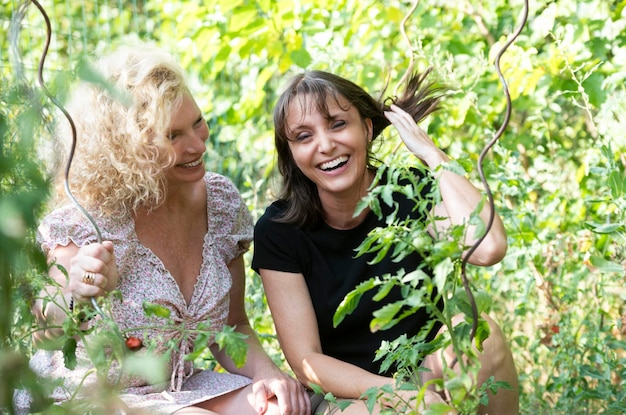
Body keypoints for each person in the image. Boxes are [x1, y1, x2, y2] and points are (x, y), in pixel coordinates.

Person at [16, 43, 310, 415]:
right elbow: (47, 336)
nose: (197, 144)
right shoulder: (85, 218)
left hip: (178, 390)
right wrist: (75, 290)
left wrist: (270, 376)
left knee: (275, 409)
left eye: (197, 122)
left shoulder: (219, 203)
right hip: (83, 398)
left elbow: (233, 326)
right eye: (172, 136)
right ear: (125, 149)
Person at [252, 69, 519, 414]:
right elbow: (307, 361)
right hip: (349, 397)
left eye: (337, 124)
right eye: (304, 136)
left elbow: (488, 247)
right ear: (291, 153)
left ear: (366, 128)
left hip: (424, 371)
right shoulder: (279, 230)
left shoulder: (409, 192)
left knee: (480, 336)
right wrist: (399, 394)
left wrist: (431, 155)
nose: (325, 145)